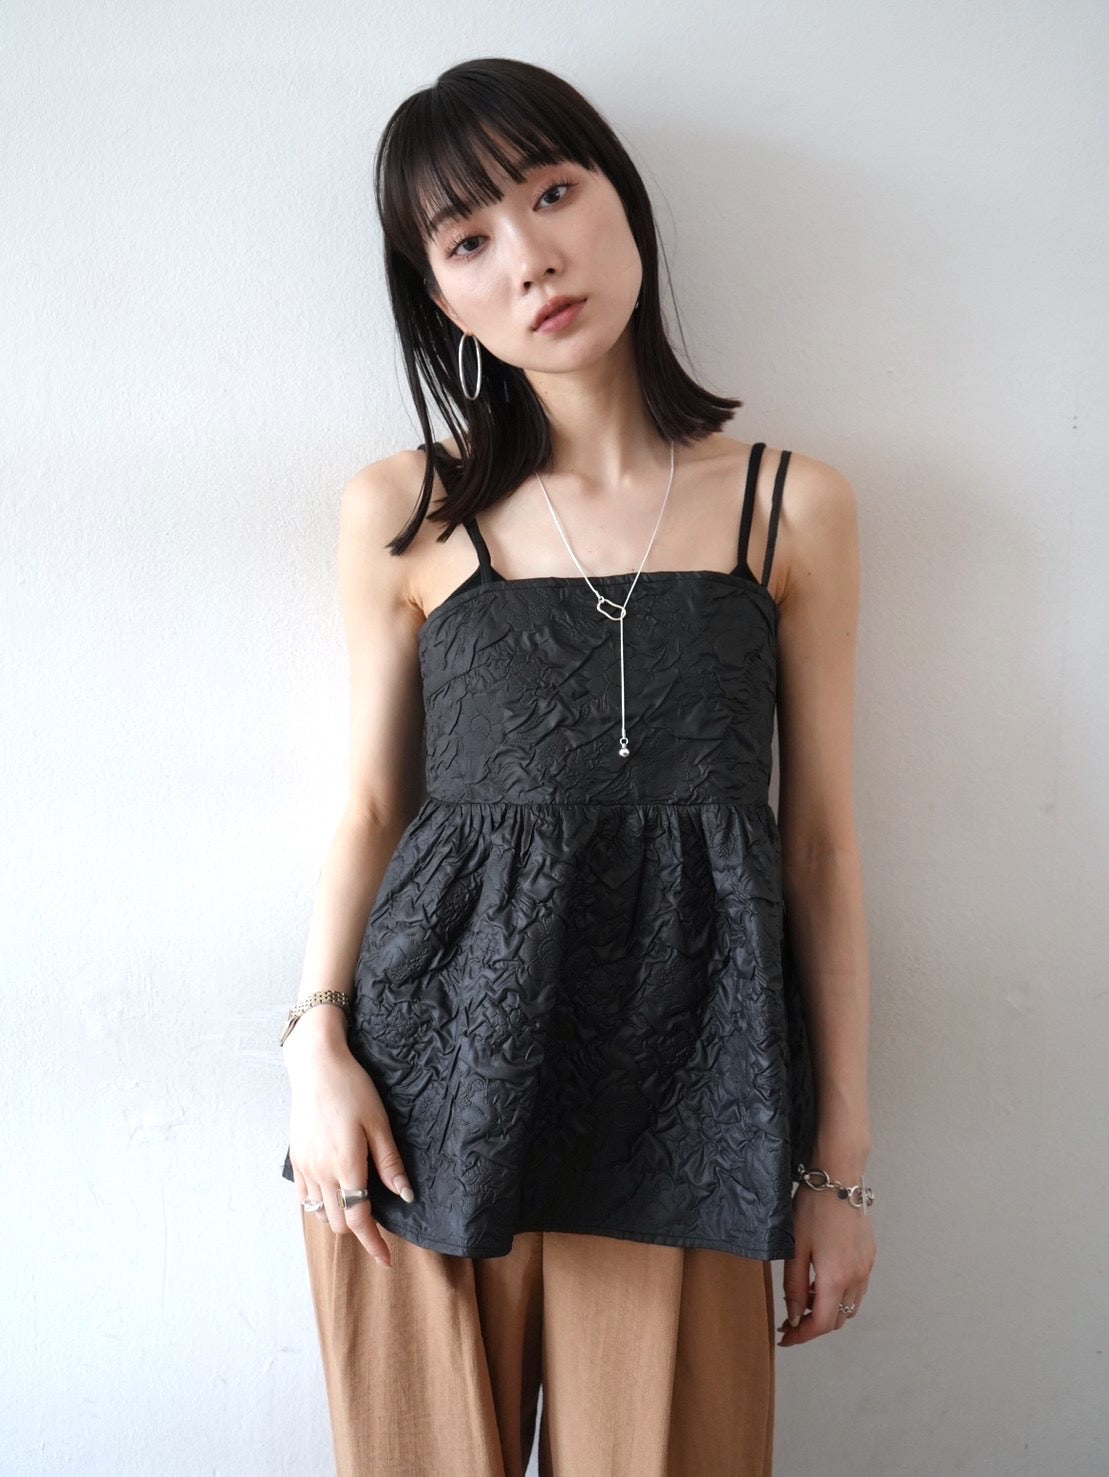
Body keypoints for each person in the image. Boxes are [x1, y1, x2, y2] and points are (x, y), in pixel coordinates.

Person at [279, 56, 877, 1477]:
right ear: (438, 297)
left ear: (624, 203)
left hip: (694, 1107)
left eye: (553, 195)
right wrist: (314, 1043)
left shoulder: (790, 506)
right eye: (467, 240)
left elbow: (818, 846)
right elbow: (373, 805)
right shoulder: (406, 508)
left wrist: (839, 1168)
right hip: (422, 1105)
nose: (530, 258)